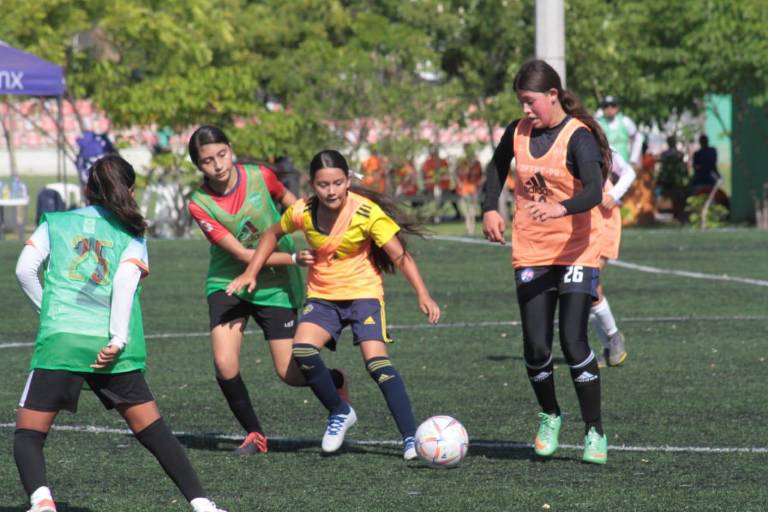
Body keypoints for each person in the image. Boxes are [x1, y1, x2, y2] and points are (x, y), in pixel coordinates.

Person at [13, 155, 225, 512]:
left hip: (63, 339)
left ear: (86, 190)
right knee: (153, 431)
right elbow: (126, 281)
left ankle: (42, 501)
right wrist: (117, 338)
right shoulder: (132, 231)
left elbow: (24, 270)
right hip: (112, 346)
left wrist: (48, 312)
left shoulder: (57, 222)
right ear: (129, 190)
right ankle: (202, 504)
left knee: (29, 435)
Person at [227, 149, 441, 460]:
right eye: (324, 185)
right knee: (301, 350)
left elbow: (399, 255)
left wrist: (423, 293)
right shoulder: (301, 211)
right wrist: (251, 271)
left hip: (363, 294)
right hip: (323, 296)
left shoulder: (366, 213)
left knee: (377, 364)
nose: (332, 191)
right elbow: (272, 234)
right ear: (312, 185)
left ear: (348, 180)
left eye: (338, 183)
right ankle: (340, 411)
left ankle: (410, 438)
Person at [187, 126, 348, 455]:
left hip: (275, 282)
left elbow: (300, 209)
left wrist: (332, 233)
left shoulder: (261, 175)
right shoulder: (199, 204)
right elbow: (244, 256)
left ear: (230, 149)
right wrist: (293, 257)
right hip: (230, 281)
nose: (218, 165)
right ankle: (254, 434)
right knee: (224, 363)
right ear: (198, 166)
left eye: (221, 154)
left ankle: (336, 380)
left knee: (289, 373)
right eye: (207, 161)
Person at [482, 59, 611, 465]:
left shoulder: (579, 137)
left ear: (552, 96)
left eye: (530, 101)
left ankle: (594, 430)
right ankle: (550, 415)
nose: (525, 110)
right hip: (532, 251)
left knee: (573, 341)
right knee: (537, 346)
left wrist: (560, 209)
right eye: (521, 102)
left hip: (575, 250)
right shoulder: (517, 133)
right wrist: (489, 207)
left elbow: (593, 191)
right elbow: (497, 166)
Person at [592, 149, 636, 368]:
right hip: (579, 222)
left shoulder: (596, 142)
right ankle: (609, 344)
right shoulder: (556, 144)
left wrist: (614, 194)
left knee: (589, 281)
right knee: (583, 289)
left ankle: (613, 337)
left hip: (603, 220)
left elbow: (629, 172)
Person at [596, 95, 643, 168]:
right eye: (606, 106)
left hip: (624, 168)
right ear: (602, 108)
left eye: (613, 105)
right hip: (605, 168)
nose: (610, 108)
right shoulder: (598, 124)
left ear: (617, 108)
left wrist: (633, 160)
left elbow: (638, 138)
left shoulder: (626, 121)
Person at [454, 148, 483, 235]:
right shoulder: (464, 163)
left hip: (473, 189)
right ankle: (468, 228)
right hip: (465, 190)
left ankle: (471, 229)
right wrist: (459, 183)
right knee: (467, 210)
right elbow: (457, 173)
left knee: (472, 211)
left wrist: (479, 185)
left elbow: (481, 175)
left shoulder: (477, 164)